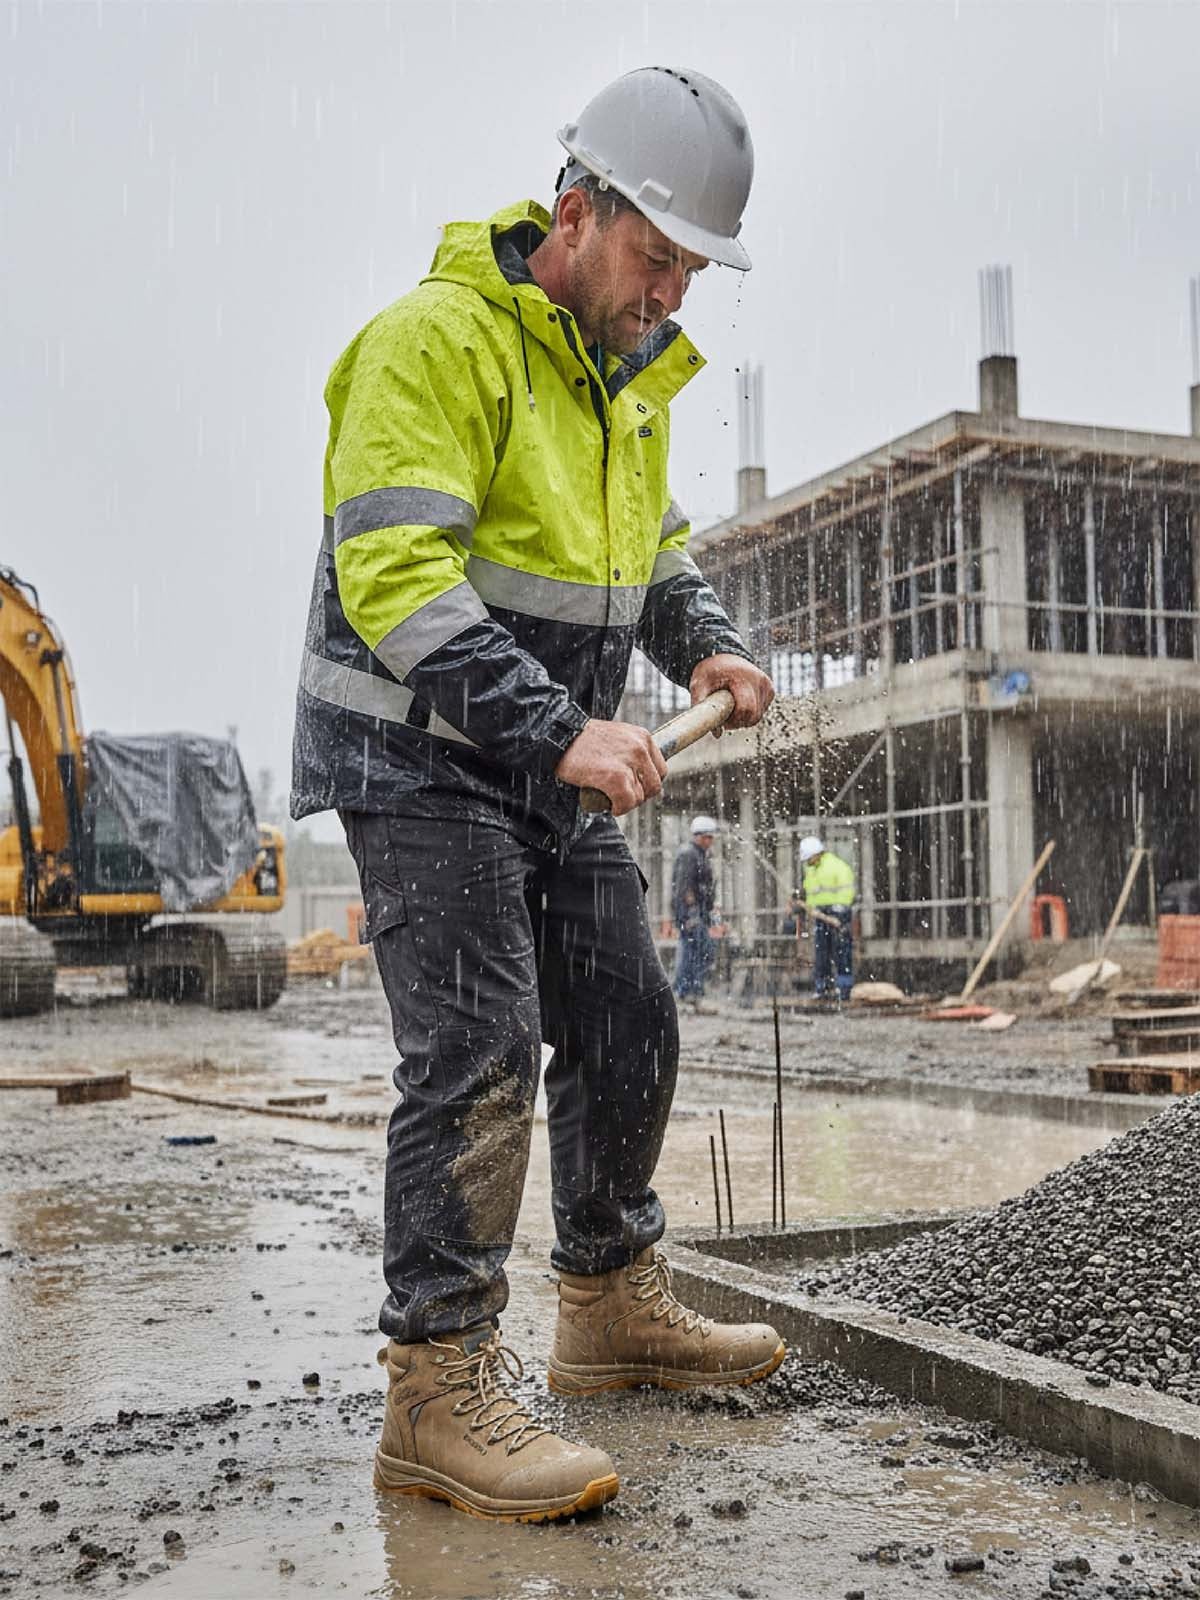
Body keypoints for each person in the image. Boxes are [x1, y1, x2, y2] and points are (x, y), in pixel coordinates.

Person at [290, 66, 781, 1524]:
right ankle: (436, 1389)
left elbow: (652, 559)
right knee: (482, 1049)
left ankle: (608, 1303)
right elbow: (396, 582)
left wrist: (712, 645)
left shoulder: (625, 379)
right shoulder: (435, 345)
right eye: (657, 258)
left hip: (536, 755)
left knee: (630, 1010)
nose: (675, 294)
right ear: (575, 216)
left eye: (694, 268)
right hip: (415, 754)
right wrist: (564, 730)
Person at [798, 835, 856, 1002]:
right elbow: (811, 894)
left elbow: (847, 890)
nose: (806, 862)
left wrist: (838, 909)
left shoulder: (837, 867)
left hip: (838, 915)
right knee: (821, 952)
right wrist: (806, 906)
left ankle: (844, 989)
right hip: (820, 915)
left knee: (842, 952)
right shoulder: (811, 870)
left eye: (808, 858)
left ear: (815, 855)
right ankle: (822, 988)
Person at [671, 814, 719, 1008]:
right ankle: (687, 991)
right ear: (699, 836)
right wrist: (691, 912)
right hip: (691, 913)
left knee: (695, 950)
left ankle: (690, 991)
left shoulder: (698, 854)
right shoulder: (689, 854)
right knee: (698, 950)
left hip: (698, 912)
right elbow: (684, 885)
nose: (711, 841)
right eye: (708, 837)